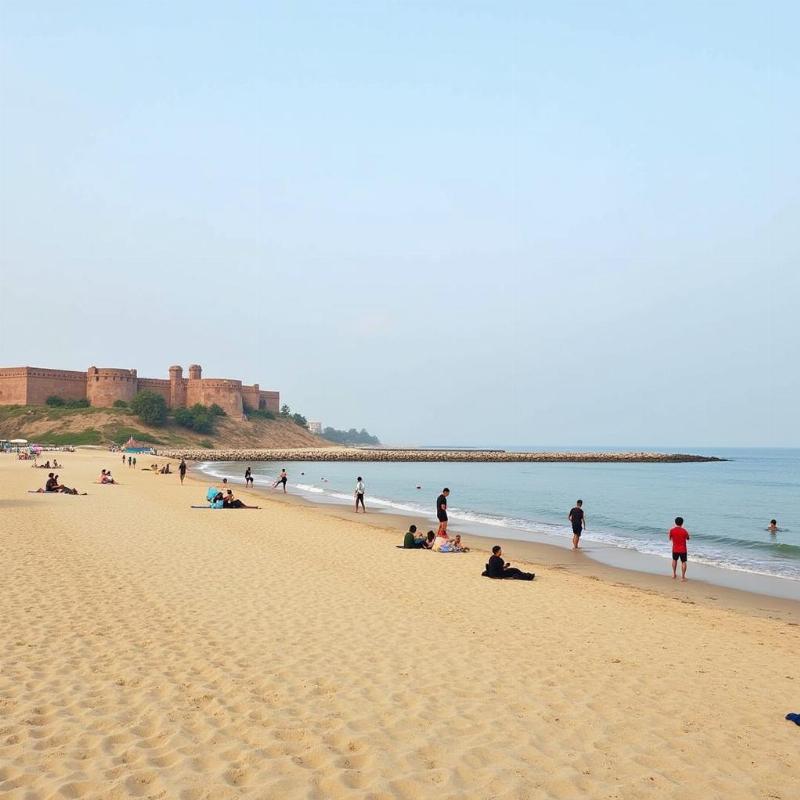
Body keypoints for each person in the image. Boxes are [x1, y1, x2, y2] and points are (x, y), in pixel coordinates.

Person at [669, 516, 690, 581]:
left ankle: (674, 574)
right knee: (683, 562)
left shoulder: (672, 530)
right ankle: (683, 577)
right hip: (683, 549)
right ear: (682, 523)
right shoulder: (684, 531)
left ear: (675, 523)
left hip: (675, 549)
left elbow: (670, 538)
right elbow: (688, 538)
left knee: (674, 560)